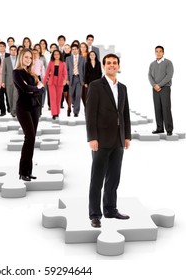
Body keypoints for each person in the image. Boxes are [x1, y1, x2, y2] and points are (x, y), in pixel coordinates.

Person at [85, 53, 131, 228]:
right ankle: (95, 214)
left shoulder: (123, 88)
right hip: (101, 140)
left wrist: (127, 136)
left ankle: (110, 209)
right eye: (109, 63)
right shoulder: (96, 86)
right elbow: (90, 114)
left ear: (118, 66)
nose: (112, 65)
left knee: (113, 178)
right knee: (97, 179)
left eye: (115, 63)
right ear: (104, 66)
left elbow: (125, 113)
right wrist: (92, 137)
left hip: (118, 140)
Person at [13, 48, 45, 181]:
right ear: (21, 58)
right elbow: (25, 89)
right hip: (23, 108)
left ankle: (28, 171)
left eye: (30, 58)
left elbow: (42, 89)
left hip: (35, 108)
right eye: (26, 57)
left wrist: (35, 89)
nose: (28, 59)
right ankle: (23, 171)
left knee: (32, 139)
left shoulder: (32, 73)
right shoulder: (17, 73)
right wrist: (35, 88)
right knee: (29, 137)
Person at [148, 46, 174, 136]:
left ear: (163, 52)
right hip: (155, 89)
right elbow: (149, 75)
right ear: (155, 52)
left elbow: (169, 75)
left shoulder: (168, 63)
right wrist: (154, 85)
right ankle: (159, 128)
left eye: (160, 51)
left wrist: (159, 85)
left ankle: (169, 129)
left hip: (165, 88)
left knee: (166, 108)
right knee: (157, 108)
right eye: (156, 51)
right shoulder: (152, 64)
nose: (158, 53)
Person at [43, 50, 67, 119]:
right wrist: (43, 83)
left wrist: (65, 80)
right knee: (53, 98)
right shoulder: (51, 63)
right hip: (51, 82)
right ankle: (54, 114)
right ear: (53, 55)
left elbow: (65, 73)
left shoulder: (63, 63)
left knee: (58, 98)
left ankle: (57, 112)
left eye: (58, 54)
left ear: (60, 55)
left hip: (60, 82)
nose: (56, 56)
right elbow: (47, 73)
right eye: (55, 54)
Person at [66, 44, 85, 117]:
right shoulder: (68, 58)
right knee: (71, 94)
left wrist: (84, 80)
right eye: (73, 49)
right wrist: (67, 79)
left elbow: (84, 69)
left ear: (78, 49)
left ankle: (76, 112)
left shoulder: (82, 58)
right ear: (71, 50)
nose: (74, 50)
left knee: (78, 95)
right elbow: (66, 69)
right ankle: (74, 103)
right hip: (71, 78)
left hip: (79, 79)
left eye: (75, 49)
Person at [2, 45, 18, 117]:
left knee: (16, 96)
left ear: (16, 51)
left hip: (18, 81)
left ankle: (14, 111)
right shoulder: (6, 60)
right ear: (9, 51)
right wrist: (3, 81)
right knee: (9, 96)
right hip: (8, 81)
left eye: (15, 50)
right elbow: (3, 71)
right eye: (12, 50)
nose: (13, 51)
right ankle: (12, 110)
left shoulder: (19, 59)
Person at [0, 41, 10, 116]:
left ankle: (9, 108)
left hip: (7, 78)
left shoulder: (9, 55)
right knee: (0, 96)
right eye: (0, 46)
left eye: (3, 46)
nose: (1, 47)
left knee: (8, 95)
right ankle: (2, 111)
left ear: (5, 47)